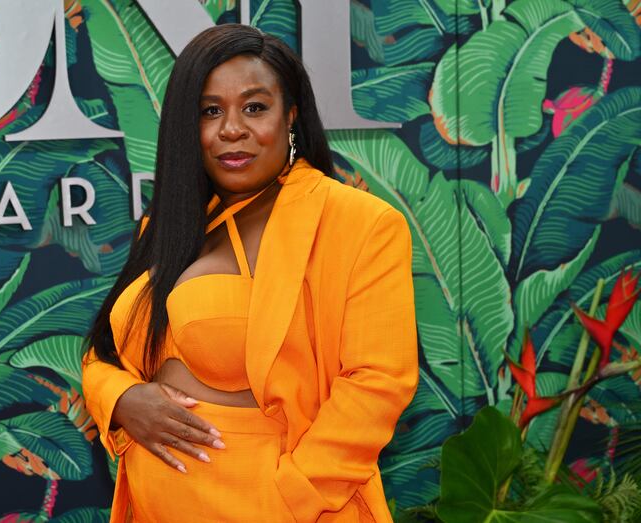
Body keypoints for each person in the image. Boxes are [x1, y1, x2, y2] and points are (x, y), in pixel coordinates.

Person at [81, 23, 418, 523]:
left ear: (291, 116)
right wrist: (122, 398)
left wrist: (288, 499)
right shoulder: (170, 224)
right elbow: (104, 353)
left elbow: (377, 384)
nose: (231, 129)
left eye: (254, 107)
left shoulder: (358, 222)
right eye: (210, 111)